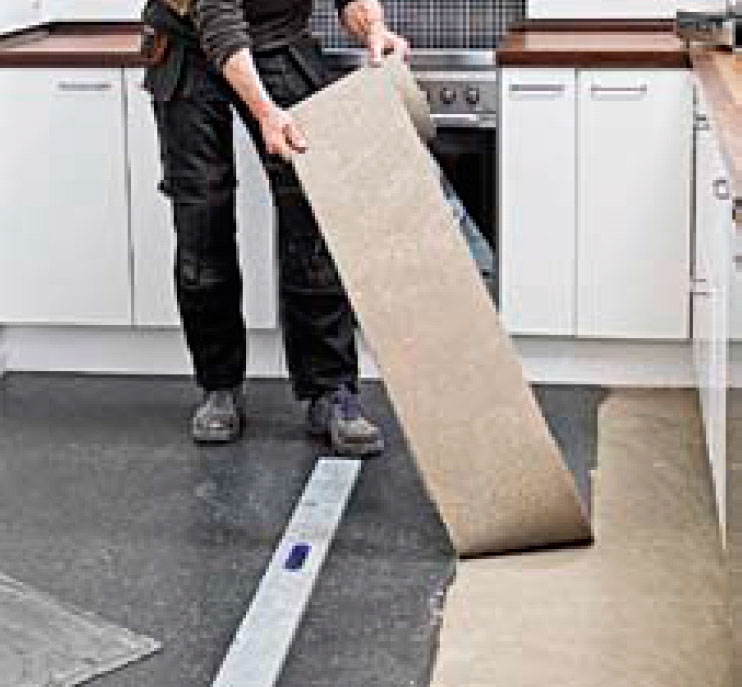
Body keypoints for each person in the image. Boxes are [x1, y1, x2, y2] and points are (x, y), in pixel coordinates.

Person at [140, 0, 410, 455]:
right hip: (191, 49)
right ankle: (219, 386)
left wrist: (373, 28)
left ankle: (331, 391)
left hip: (280, 43)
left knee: (313, 216)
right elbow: (220, 22)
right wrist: (266, 112)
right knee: (202, 222)